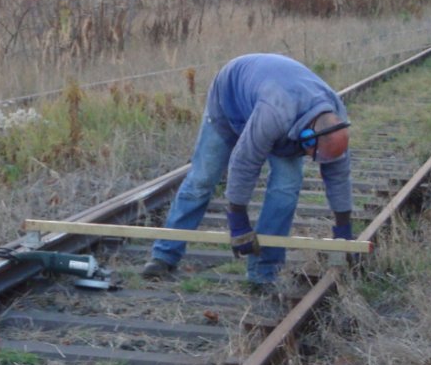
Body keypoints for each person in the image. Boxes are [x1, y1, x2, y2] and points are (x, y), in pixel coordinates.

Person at [142, 53, 353, 290]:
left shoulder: (336, 121)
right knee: (202, 180)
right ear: (307, 137)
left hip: (281, 115)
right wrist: (238, 222)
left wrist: (343, 228)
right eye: (313, 155)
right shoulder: (274, 113)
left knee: (286, 190)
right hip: (229, 100)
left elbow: (338, 175)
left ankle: (264, 271)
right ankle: (165, 255)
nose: (313, 161)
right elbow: (244, 163)